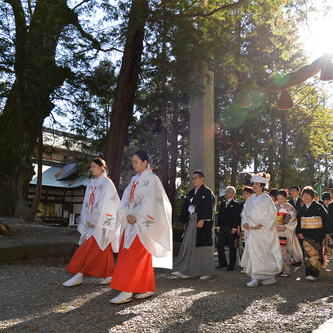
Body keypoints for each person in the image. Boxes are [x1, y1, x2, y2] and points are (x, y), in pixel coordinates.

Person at [109, 151, 172, 304]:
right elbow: (125, 199)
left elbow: (152, 201)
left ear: (145, 162)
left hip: (142, 223)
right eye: (133, 161)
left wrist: (137, 216)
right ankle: (148, 287)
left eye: (136, 161)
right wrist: (125, 215)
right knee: (135, 256)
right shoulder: (133, 180)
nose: (134, 164)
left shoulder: (152, 179)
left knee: (134, 255)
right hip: (130, 223)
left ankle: (127, 290)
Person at [63, 158, 120, 287]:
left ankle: (79, 274)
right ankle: (110, 274)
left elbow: (107, 203)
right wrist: (87, 220)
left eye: (94, 166)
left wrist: (95, 220)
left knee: (90, 249)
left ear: (102, 167)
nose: (92, 169)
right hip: (91, 223)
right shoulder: (92, 183)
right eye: (91, 166)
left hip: (102, 223)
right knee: (103, 248)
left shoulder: (107, 183)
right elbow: (86, 205)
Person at [241, 173, 282, 287]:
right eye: (253, 184)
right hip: (252, 230)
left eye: (257, 184)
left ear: (262, 186)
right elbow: (244, 213)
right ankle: (255, 277)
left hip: (264, 231)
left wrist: (262, 224)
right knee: (253, 253)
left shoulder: (267, 199)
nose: (254, 186)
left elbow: (272, 214)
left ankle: (269, 276)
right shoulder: (250, 200)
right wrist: (245, 222)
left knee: (265, 253)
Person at [172, 170, 215, 280]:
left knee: (203, 247)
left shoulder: (207, 192)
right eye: (193, 178)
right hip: (191, 221)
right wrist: (186, 222)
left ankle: (206, 271)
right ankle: (186, 270)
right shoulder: (191, 192)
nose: (194, 180)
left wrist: (203, 219)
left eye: (196, 177)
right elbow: (186, 208)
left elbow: (208, 207)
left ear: (202, 179)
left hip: (201, 222)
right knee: (188, 245)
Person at [296, 186, 333, 281]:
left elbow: (326, 220)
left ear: (313, 196)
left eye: (308, 195)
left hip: (317, 233)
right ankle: (309, 273)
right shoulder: (301, 208)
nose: (306, 197)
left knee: (315, 254)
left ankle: (314, 274)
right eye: (304, 195)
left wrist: (327, 233)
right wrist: (299, 231)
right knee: (308, 254)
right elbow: (299, 221)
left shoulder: (319, 207)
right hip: (305, 234)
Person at [276, 189, 303, 277]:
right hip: (276, 230)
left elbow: (294, 219)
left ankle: (286, 270)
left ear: (286, 198)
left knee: (286, 250)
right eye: (278, 198)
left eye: (282, 199)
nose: (280, 201)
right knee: (277, 250)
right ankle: (278, 269)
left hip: (286, 230)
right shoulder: (274, 206)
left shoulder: (289, 207)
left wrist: (284, 227)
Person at [216, 186, 240, 271]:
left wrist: (235, 227)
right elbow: (220, 216)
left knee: (231, 246)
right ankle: (222, 263)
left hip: (231, 228)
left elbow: (236, 217)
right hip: (222, 227)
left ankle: (231, 265)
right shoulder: (222, 204)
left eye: (229, 191)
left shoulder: (236, 204)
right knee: (219, 245)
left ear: (233, 194)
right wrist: (218, 226)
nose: (226, 193)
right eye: (226, 191)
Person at [239, 186, 253, 273]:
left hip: (253, 226)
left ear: (251, 194)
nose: (245, 195)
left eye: (247, 193)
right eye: (243, 193)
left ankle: (252, 266)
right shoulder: (244, 204)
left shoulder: (254, 202)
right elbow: (243, 216)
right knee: (247, 246)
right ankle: (246, 265)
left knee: (252, 246)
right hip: (247, 227)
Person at [321, 192, 332, 269]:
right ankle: (325, 262)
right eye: (325, 200)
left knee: (330, 246)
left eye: (328, 200)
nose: (326, 202)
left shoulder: (331, 206)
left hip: (330, 229)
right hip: (325, 229)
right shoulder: (321, 207)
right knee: (324, 246)